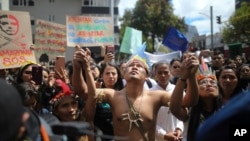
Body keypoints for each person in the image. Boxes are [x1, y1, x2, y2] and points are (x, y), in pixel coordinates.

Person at [76, 47, 199, 141]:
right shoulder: (113, 95)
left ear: (147, 76)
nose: (134, 67)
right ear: (124, 74)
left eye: (139, 66)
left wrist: (190, 77)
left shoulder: (156, 96)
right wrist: (79, 68)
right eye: (130, 66)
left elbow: (188, 101)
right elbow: (84, 92)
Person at [170, 58, 221, 141]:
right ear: (196, 88)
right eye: (203, 82)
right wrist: (184, 77)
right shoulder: (190, 111)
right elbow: (175, 109)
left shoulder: (226, 109)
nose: (209, 84)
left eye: (213, 82)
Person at [150, 60, 183, 141]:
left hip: (177, 136)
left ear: (170, 72)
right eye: (159, 73)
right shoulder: (149, 93)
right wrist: (163, 134)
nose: (163, 75)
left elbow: (183, 113)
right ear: (155, 74)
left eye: (165, 72)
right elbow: (148, 120)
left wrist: (179, 129)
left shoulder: (178, 90)